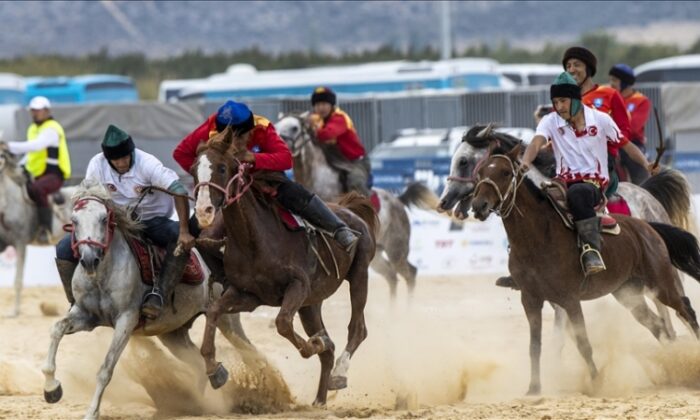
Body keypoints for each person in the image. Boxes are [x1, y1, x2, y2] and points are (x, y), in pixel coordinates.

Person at [173, 99, 359, 253]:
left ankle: (339, 229)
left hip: (264, 179)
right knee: (193, 227)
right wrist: (208, 176)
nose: (235, 143)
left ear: (250, 131)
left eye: (239, 138)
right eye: (228, 137)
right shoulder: (210, 126)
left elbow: (286, 159)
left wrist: (254, 158)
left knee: (294, 192)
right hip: (227, 185)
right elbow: (180, 153)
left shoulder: (263, 127)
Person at [55, 125, 195, 319]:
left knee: (176, 236)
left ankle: (159, 295)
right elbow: (88, 196)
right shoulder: (97, 164)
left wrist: (184, 230)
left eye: (125, 157)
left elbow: (179, 190)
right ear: (107, 158)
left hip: (152, 220)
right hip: (116, 220)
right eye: (115, 159)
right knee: (63, 248)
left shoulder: (148, 164)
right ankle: (75, 302)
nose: (121, 162)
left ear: (132, 152)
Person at [521, 72, 638, 276]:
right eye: (555, 102)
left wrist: (647, 163)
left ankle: (591, 250)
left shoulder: (600, 119)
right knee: (534, 198)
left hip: (593, 184)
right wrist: (525, 161)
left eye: (563, 101)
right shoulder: (550, 121)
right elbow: (536, 142)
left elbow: (626, 145)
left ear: (576, 99)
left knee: (578, 194)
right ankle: (527, 262)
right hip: (562, 182)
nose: (559, 107)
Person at [562, 46, 650, 193]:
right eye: (568, 66)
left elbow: (627, 130)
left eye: (577, 65)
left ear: (588, 69)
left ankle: (643, 187)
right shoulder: (563, 99)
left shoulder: (612, 95)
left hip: (606, 155)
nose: (571, 69)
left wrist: (610, 146)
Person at [6, 96, 71, 243]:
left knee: (37, 189)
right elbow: (31, 153)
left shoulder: (52, 128)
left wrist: (9, 146)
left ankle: (44, 229)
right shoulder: (33, 128)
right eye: (33, 111)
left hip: (54, 174)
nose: (34, 113)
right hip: (37, 173)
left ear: (47, 111)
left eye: (38, 110)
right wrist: (20, 167)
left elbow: (36, 146)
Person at [307, 86, 372, 197]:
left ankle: (367, 210)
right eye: (317, 105)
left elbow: (327, 134)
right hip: (334, 162)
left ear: (331, 105)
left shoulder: (340, 118)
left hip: (355, 162)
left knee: (355, 181)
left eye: (324, 104)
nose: (321, 108)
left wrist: (310, 128)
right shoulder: (315, 120)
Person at [609, 63, 652, 184]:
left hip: (631, 143)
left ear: (625, 82)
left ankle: (643, 188)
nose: (611, 83)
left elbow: (633, 127)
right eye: (610, 79)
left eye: (615, 80)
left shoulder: (641, 101)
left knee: (636, 164)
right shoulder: (609, 98)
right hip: (610, 142)